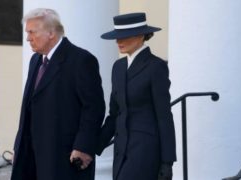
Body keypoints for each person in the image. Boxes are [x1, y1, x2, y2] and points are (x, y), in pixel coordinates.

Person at [11, 8, 105, 180]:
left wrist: (84, 147)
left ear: (51, 33)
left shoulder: (81, 60)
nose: (28, 38)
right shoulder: (36, 60)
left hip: (64, 156)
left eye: (32, 32)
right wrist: (19, 146)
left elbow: (94, 108)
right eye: (27, 33)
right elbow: (29, 107)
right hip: (31, 155)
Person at [96, 13, 176, 180]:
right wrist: (93, 145)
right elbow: (114, 114)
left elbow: (164, 116)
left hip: (145, 149)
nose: (118, 42)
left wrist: (167, 162)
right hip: (121, 149)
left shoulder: (156, 66)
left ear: (141, 36)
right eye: (117, 37)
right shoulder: (118, 67)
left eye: (124, 37)